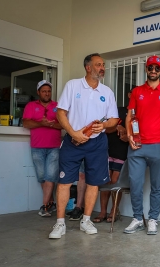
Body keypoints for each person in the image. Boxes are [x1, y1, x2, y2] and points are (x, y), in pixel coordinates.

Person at [48, 53, 119, 239]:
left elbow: (113, 119)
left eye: (103, 64)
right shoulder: (73, 86)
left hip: (97, 143)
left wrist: (103, 125)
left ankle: (86, 220)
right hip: (73, 141)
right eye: (98, 64)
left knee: (93, 182)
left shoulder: (107, 92)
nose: (102, 67)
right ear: (88, 67)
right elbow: (61, 113)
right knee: (64, 182)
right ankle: (60, 223)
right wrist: (73, 133)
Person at [124, 55, 160, 235]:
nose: (153, 71)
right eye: (150, 68)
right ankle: (138, 218)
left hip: (158, 146)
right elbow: (129, 116)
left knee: (156, 185)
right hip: (137, 146)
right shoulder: (137, 91)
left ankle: (153, 219)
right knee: (135, 184)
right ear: (146, 69)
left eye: (157, 68)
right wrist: (130, 135)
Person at [23, 80, 62, 217]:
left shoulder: (57, 106)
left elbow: (63, 125)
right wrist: (41, 123)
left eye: (49, 91)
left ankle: (44, 207)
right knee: (42, 177)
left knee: (50, 176)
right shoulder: (31, 105)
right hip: (37, 147)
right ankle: (51, 203)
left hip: (54, 147)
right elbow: (26, 123)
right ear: (38, 92)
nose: (47, 93)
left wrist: (50, 125)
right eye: (44, 91)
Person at [93, 105, 129, 223]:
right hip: (107, 150)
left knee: (115, 181)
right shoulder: (117, 111)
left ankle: (114, 210)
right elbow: (105, 129)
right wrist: (117, 127)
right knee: (105, 180)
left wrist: (128, 136)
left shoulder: (138, 113)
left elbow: (139, 134)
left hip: (123, 152)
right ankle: (103, 212)